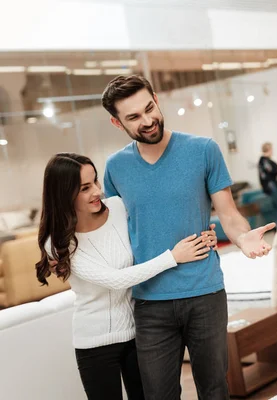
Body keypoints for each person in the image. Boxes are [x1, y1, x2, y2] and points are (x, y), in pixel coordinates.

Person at [101, 75, 275, 400]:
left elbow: (228, 213)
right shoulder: (115, 168)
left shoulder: (203, 150)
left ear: (155, 98)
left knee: (215, 390)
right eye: (134, 117)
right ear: (116, 121)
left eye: (149, 108)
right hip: (150, 302)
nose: (148, 120)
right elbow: (113, 233)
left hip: (204, 294)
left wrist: (241, 238)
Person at [35, 153, 216, 400]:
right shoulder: (57, 243)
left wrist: (203, 233)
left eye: (96, 182)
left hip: (137, 334)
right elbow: (115, 279)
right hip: (94, 343)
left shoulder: (119, 208)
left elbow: (156, 228)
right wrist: (172, 257)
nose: (97, 191)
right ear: (64, 193)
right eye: (85, 188)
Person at [258, 142, 277, 228]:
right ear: (269, 150)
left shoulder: (262, 161)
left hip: (270, 187)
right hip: (273, 186)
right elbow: (272, 171)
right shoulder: (265, 160)